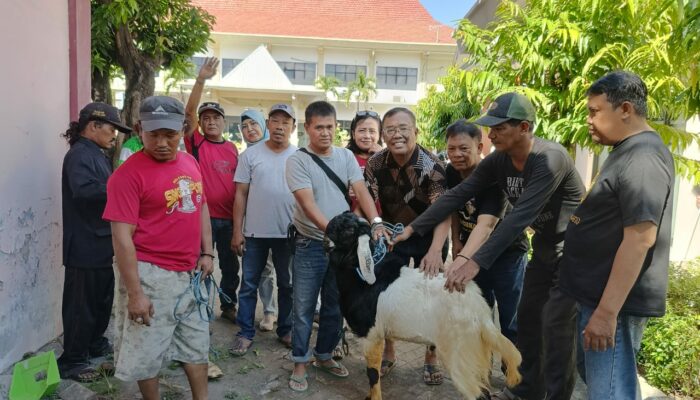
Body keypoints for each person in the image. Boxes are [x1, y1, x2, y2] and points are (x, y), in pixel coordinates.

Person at [392, 92, 585, 400]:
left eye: (498, 128)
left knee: (558, 331)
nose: (491, 134)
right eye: (489, 128)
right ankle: (524, 391)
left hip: (574, 253)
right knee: (528, 323)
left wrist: (472, 261)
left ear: (524, 127)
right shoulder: (499, 160)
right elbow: (457, 195)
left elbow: (519, 217)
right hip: (546, 251)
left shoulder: (550, 158)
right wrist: (414, 229)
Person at [559, 71, 675, 400]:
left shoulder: (643, 158)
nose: (588, 120)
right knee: (608, 385)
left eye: (594, 111)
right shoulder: (626, 150)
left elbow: (640, 238)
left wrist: (607, 313)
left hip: (615, 306)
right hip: (600, 299)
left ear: (625, 109)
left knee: (610, 393)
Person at [104, 96, 213, 400]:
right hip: (150, 273)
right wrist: (136, 293)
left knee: (196, 342)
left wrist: (207, 252)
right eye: (154, 134)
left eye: (170, 134)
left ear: (183, 129)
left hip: (191, 273)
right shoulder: (126, 176)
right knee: (146, 350)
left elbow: (200, 205)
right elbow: (121, 238)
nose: (163, 142)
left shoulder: (190, 162)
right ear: (139, 129)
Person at [285, 101, 385, 392]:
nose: (326, 133)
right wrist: (333, 233)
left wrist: (376, 221)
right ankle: (300, 362)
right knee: (303, 306)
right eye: (319, 127)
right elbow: (307, 203)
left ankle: (325, 354)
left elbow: (362, 190)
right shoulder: (298, 160)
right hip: (310, 245)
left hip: (342, 248)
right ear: (307, 128)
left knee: (335, 305)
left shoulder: (345, 157)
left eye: (330, 127)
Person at [363, 107, 449, 386]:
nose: (397, 134)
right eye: (390, 129)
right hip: (392, 236)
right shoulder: (375, 163)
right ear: (383, 133)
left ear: (415, 131)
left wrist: (436, 250)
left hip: (428, 237)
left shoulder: (432, 166)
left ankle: (431, 355)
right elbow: (366, 201)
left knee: (432, 295)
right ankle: (389, 350)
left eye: (403, 128)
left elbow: (442, 212)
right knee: (386, 294)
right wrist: (372, 227)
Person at [58, 102, 131, 382]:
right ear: (94, 126)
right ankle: (72, 361)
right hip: (84, 245)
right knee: (81, 307)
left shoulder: (96, 154)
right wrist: (120, 188)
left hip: (100, 242)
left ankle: (93, 345)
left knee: (101, 301)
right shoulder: (79, 154)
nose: (115, 135)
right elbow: (84, 190)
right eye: (112, 128)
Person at [444, 119, 528, 344]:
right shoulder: (450, 172)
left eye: (464, 148)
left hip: (507, 254)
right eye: (451, 148)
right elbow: (452, 207)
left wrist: (461, 259)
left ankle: (514, 371)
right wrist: (456, 240)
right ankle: (482, 368)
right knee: (478, 313)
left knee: (511, 318)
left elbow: (486, 226)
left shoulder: (493, 174)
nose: (456, 154)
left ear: (479, 147)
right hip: (472, 252)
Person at [230, 104, 297, 355]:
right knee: (248, 284)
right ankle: (245, 333)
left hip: (288, 234)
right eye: (275, 121)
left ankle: (286, 330)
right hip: (255, 234)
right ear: (268, 124)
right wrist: (237, 231)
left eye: (286, 122)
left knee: (287, 285)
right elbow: (240, 195)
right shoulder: (250, 155)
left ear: (293, 127)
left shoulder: (299, 155)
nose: (280, 126)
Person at [183, 57, 240, 322]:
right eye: (205, 118)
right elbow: (188, 113)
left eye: (215, 118)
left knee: (231, 267)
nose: (210, 122)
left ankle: (228, 305)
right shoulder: (196, 143)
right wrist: (201, 79)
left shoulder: (232, 149)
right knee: (203, 264)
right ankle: (202, 308)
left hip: (229, 219)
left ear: (223, 123)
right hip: (202, 218)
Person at [239, 108, 277, 331]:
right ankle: (270, 312)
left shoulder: (284, 151)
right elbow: (240, 194)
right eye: (244, 126)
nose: (249, 130)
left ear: (263, 125)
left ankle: (309, 311)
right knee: (264, 270)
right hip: (256, 225)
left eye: (254, 124)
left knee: (292, 272)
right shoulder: (244, 157)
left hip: (285, 224)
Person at [347, 110, 383, 212]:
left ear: (379, 134)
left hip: (382, 220)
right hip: (353, 220)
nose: (367, 136)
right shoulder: (346, 158)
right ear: (353, 134)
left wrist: (383, 157)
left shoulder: (389, 157)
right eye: (362, 130)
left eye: (372, 131)